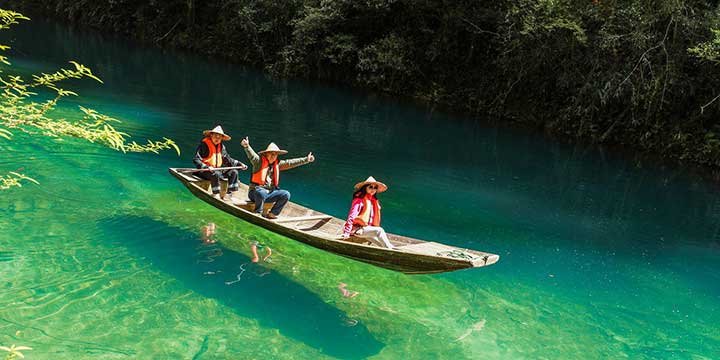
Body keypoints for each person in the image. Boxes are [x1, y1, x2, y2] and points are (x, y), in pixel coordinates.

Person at [240, 137, 315, 219]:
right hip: (255, 193)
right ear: (266, 154)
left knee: (285, 194)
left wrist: (306, 159)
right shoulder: (258, 162)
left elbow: (290, 163)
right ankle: (258, 212)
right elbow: (252, 156)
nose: (273, 156)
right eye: (271, 154)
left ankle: (272, 213)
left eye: (275, 154)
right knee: (261, 192)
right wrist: (247, 146)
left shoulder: (278, 164)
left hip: (269, 193)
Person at [192, 125, 248, 203]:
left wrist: (240, 164)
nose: (217, 138)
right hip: (205, 171)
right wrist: (207, 167)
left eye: (219, 137)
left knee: (234, 171)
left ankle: (229, 194)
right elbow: (196, 159)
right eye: (215, 136)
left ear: (222, 138)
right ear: (211, 135)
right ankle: (216, 194)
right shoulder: (204, 145)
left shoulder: (221, 147)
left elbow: (228, 160)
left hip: (217, 171)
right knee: (215, 173)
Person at [341, 176, 395, 249]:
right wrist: (346, 232)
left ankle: (392, 250)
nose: (373, 189)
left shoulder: (372, 201)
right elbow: (352, 216)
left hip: (365, 229)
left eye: (375, 188)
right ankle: (390, 250)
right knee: (379, 230)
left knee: (381, 243)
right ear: (365, 188)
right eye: (370, 187)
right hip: (356, 229)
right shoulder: (359, 200)